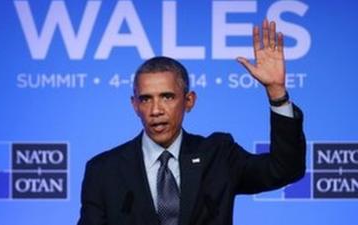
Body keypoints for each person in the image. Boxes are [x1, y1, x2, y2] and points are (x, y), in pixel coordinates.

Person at [78, 19, 306, 225]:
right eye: (146, 99)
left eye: (167, 97)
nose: (156, 110)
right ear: (134, 105)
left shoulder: (218, 156)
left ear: (189, 101)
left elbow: (285, 170)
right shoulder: (104, 171)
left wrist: (277, 93)